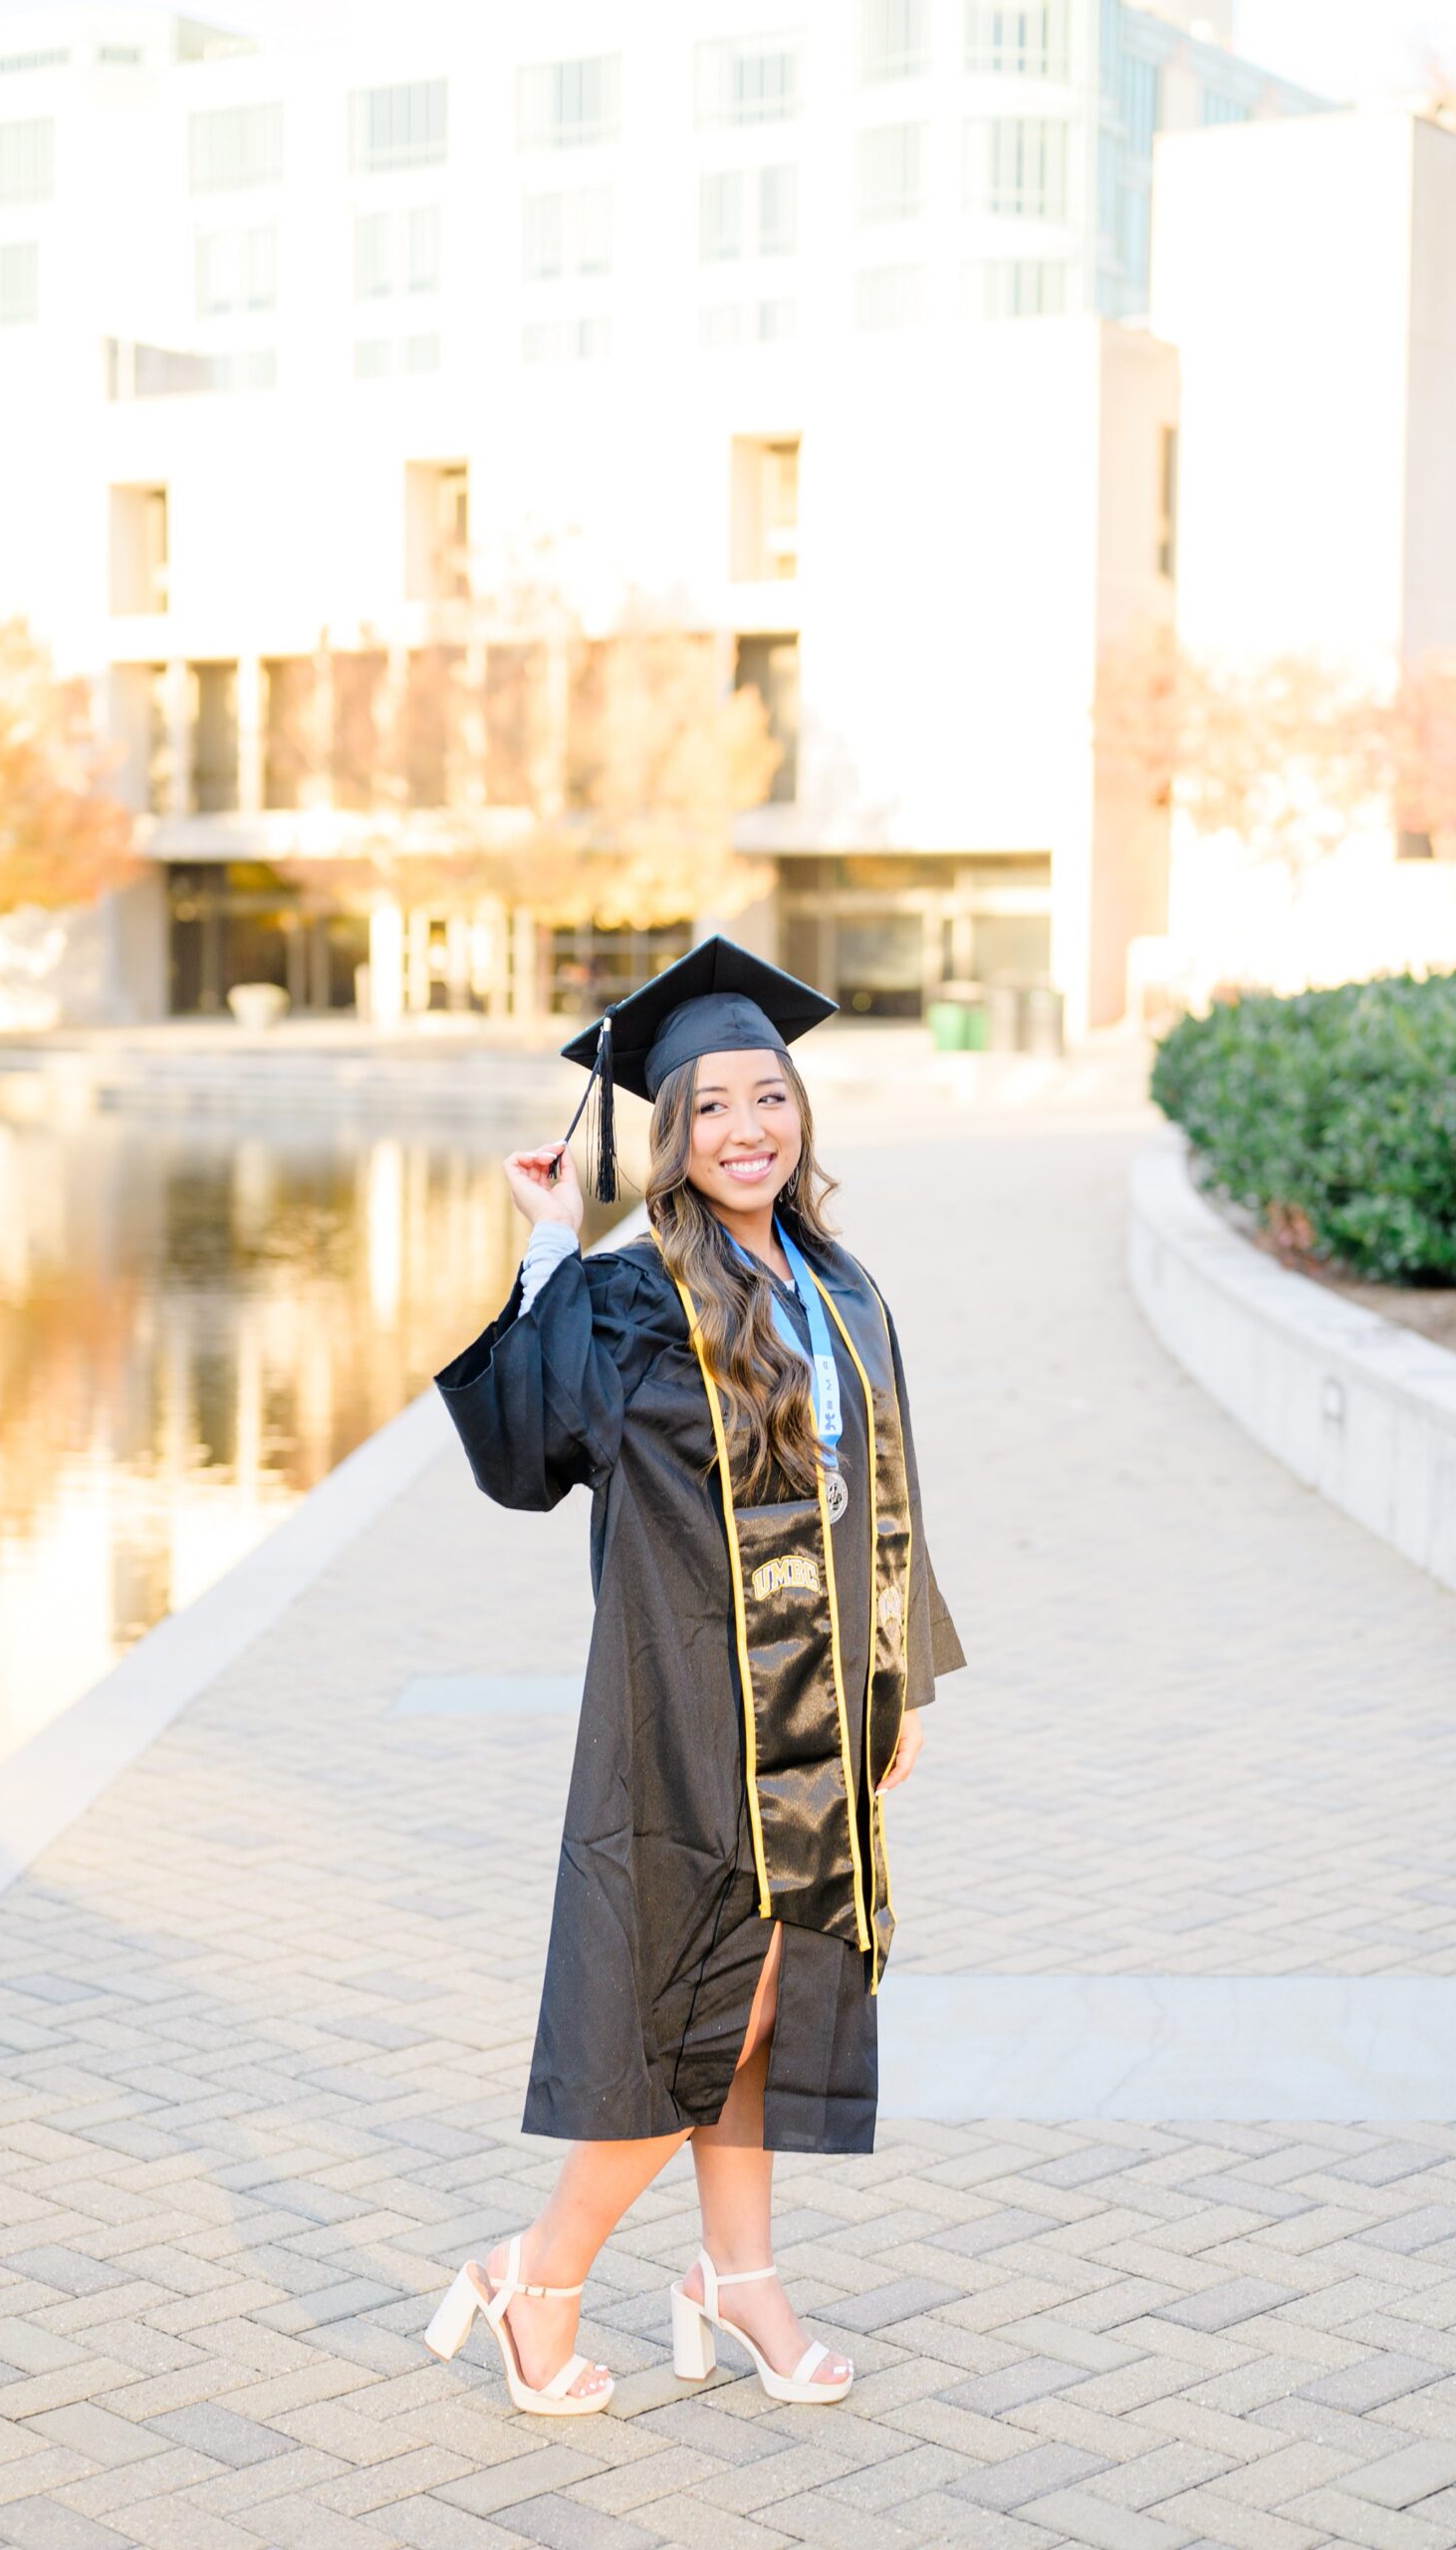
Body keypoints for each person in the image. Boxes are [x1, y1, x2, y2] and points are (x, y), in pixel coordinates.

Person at [424, 936, 965, 2418]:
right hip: (691, 1719)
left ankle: (740, 2278)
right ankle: (535, 2272)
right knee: (704, 2005)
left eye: (769, 1098)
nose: (746, 1128)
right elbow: (528, 1456)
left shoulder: (842, 1285)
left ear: (800, 1117)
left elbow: (888, 1486)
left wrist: (897, 1675)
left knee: (779, 2003)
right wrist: (548, 1242)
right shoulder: (632, 1292)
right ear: (669, 1132)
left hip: (820, 1713)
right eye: (712, 1105)